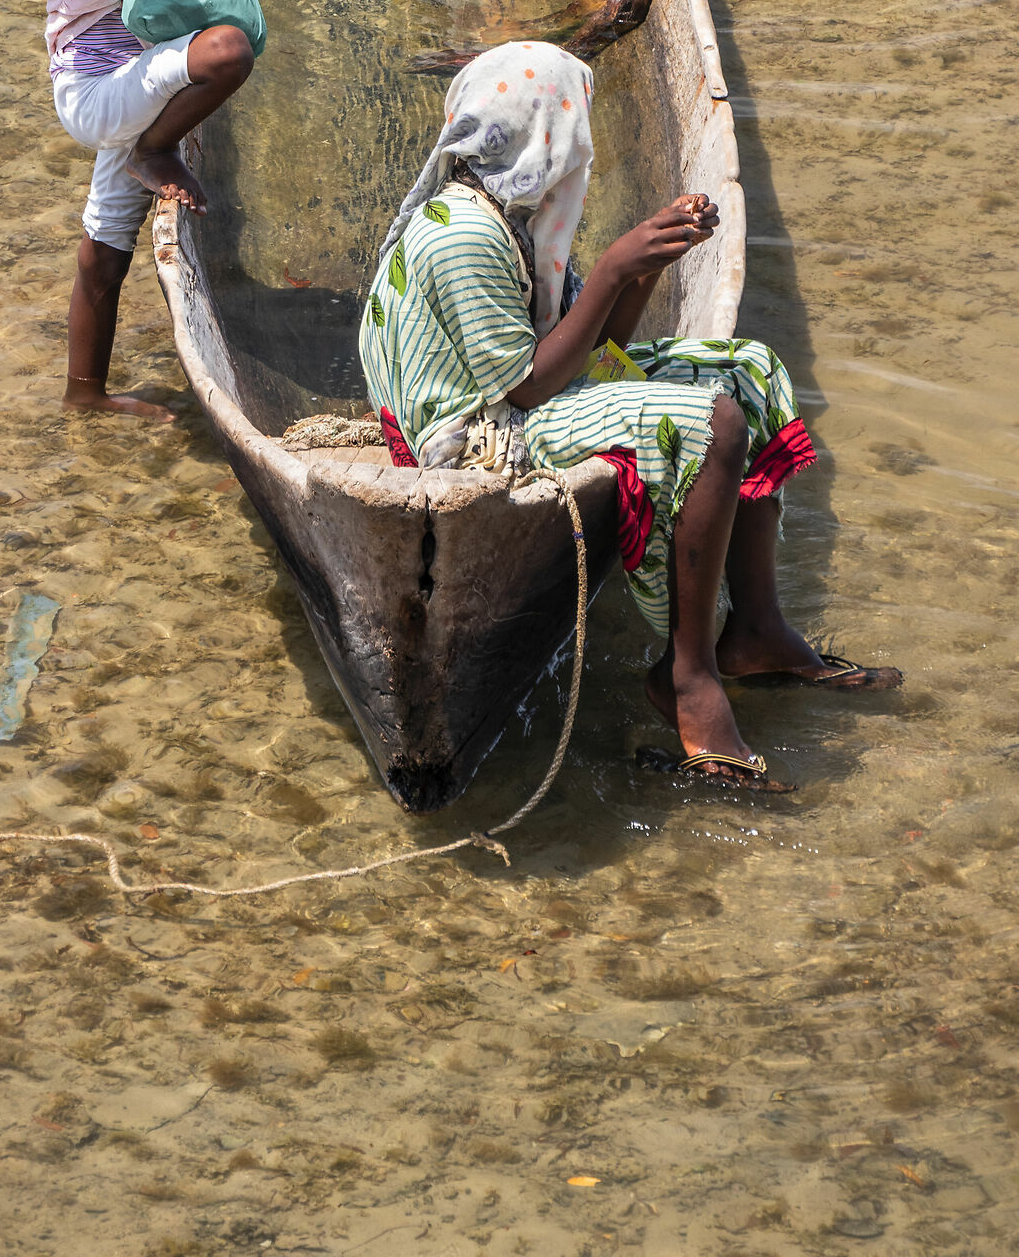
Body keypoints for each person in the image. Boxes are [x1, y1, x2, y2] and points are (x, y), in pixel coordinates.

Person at [359, 43, 899, 788]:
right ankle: (687, 675)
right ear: (540, 141)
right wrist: (614, 265)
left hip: (520, 394)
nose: (586, 154)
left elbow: (596, 352)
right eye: (577, 135)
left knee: (749, 369)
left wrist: (641, 267)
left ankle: (757, 629)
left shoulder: (517, 218)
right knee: (713, 426)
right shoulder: (463, 234)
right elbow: (524, 389)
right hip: (472, 432)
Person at [5, 0, 255, 414]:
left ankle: (84, 397)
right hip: (97, 91)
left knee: (105, 245)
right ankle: (155, 147)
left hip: (143, 73)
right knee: (228, 51)